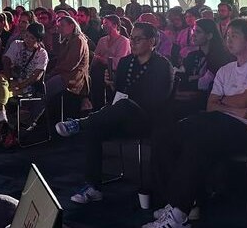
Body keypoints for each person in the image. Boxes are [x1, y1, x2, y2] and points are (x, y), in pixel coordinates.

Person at [148, 17, 247, 228]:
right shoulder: (225, 70)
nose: (229, 40)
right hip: (219, 120)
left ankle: (179, 212)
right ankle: (178, 204)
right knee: (165, 136)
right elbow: (211, 105)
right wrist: (232, 106)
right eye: (227, 35)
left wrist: (223, 102)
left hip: (246, 129)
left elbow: (246, 100)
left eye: (234, 36)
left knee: (198, 141)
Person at [55, 22, 174, 205]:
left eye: (138, 39)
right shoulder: (127, 62)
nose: (132, 42)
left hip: (148, 119)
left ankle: (80, 123)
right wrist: (111, 85)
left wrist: (127, 100)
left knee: (124, 106)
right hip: (122, 115)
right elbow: (119, 93)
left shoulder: (162, 66)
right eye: (132, 38)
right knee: (96, 128)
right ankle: (93, 186)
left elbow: (157, 100)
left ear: (151, 42)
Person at [90, 15, 131, 110]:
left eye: (106, 24)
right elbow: (95, 57)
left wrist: (102, 59)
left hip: (116, 72)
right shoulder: (102, 40)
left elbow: (120, 61)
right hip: (101, 70)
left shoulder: (123, 41)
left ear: (115, 25)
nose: (104, 26)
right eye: (103, 24)